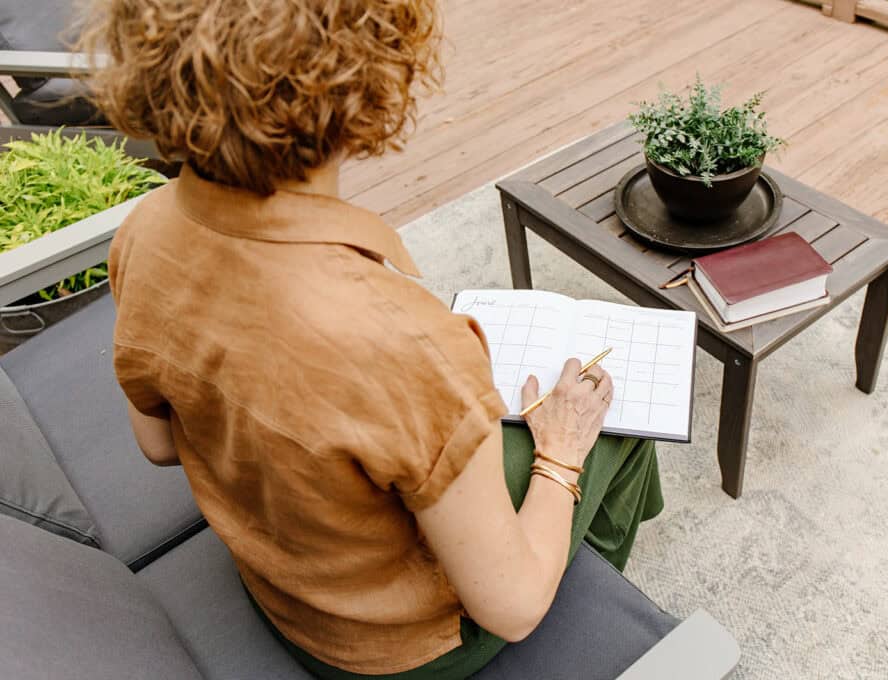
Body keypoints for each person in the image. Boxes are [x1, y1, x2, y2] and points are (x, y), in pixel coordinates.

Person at [78, 0, 663, 677]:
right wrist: (561, 454)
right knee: (607, 415)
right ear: (362, 86)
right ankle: (595, 603)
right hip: (396, 652)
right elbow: (514, 607)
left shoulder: (144, 232)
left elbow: (156, 445)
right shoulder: (403, 343)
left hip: (279, 590)